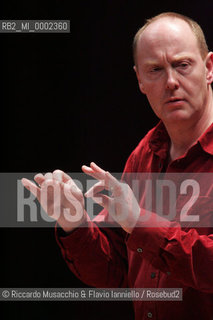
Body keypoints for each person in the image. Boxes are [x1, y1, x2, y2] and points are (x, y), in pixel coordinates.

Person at [22, 12, 213, 320]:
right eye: (155, 70)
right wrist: (74, 221)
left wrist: (140, 221)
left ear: (209, 68)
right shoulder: (144, 154)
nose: (171, 82)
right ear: (140, 80)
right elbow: (115, 272)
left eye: (182, 64)